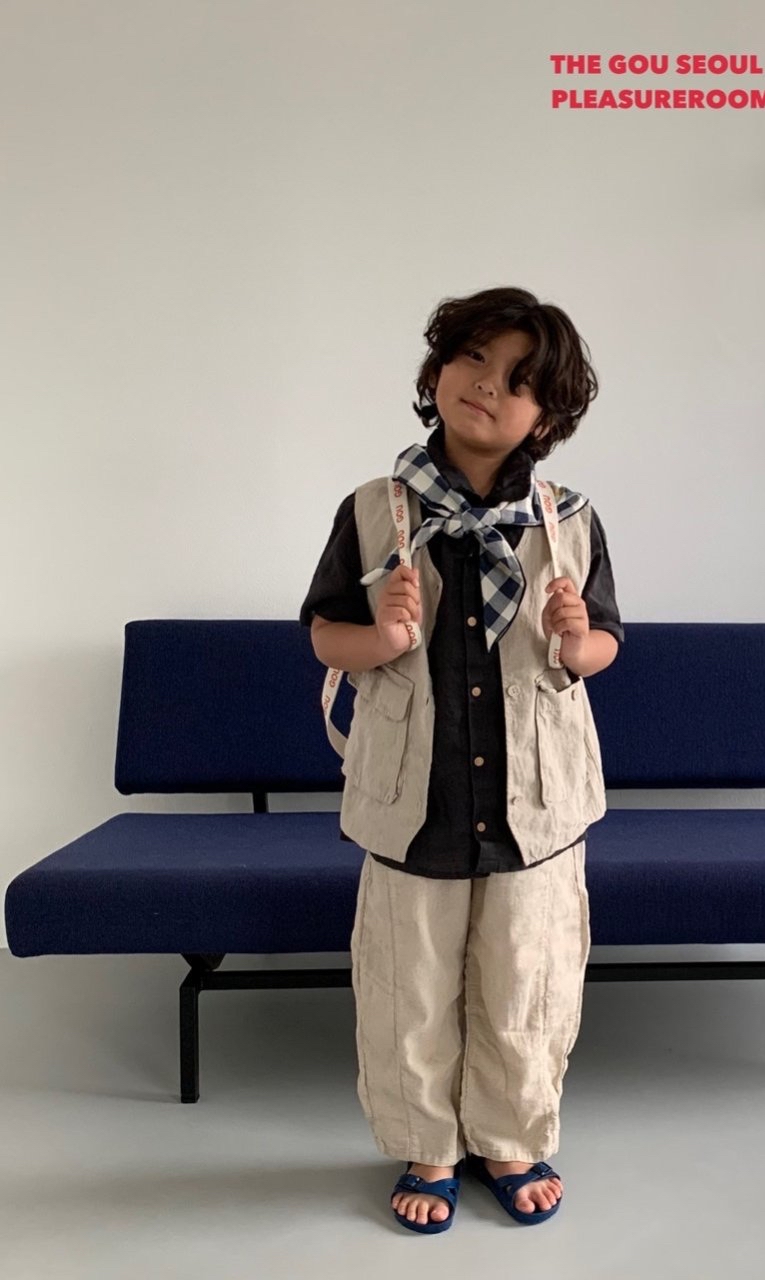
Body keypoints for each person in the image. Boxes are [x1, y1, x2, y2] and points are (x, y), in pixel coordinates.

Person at [300, 286, 623, 1232]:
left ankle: (510, 1137)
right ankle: (429, 1143)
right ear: (437, 370)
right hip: (417, 798)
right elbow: (323, 635)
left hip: (536, 804)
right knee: (410, 982)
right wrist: (381, 638)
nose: (487, 385)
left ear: (547, 417)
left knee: (528, 972)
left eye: (518, 380)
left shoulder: (568, 521)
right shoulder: (374, 510)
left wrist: (576, 640)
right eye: (473, 359)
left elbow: (603, 646)